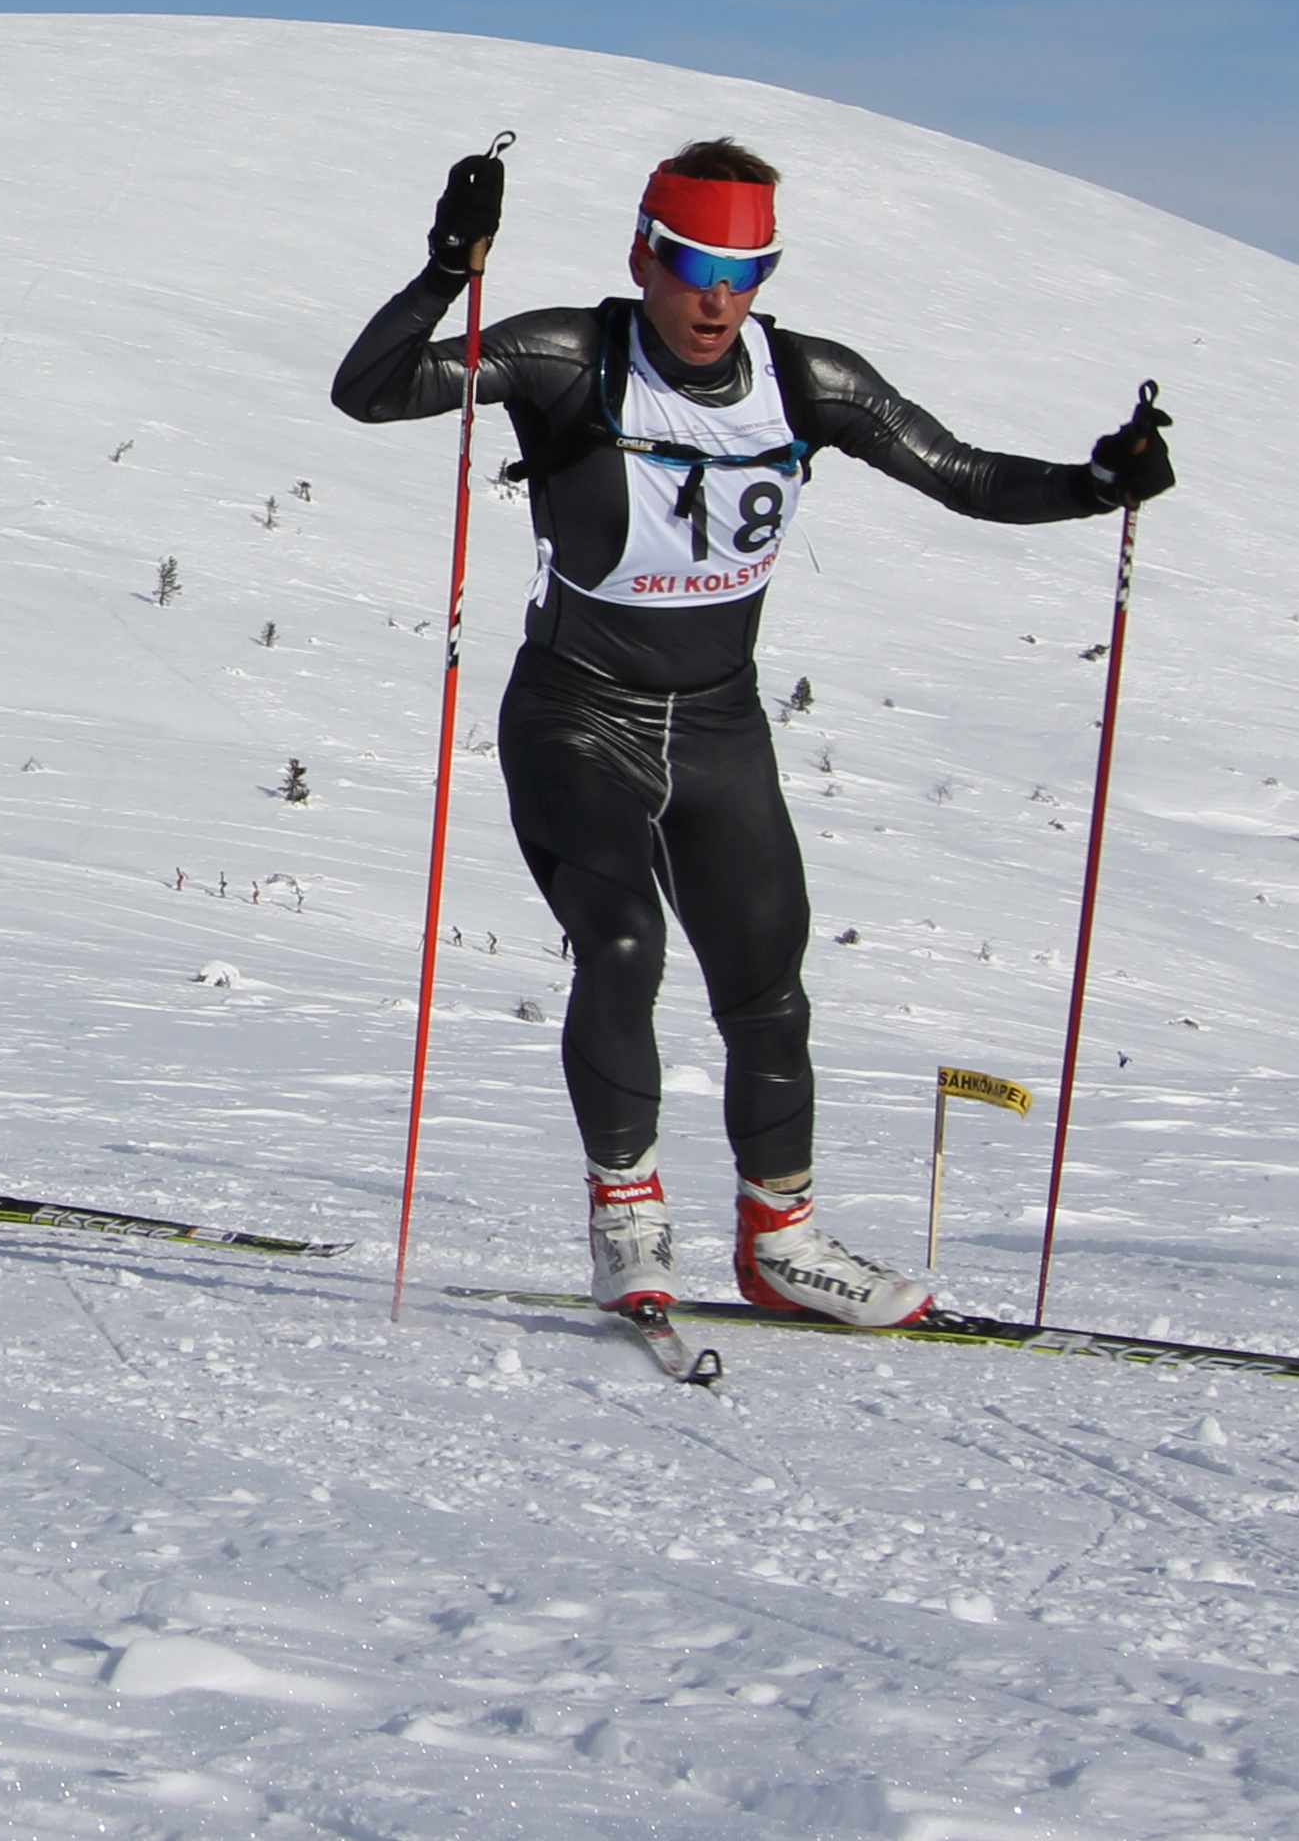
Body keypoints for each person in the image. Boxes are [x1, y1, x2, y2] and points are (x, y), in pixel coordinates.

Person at [329, 139, 1175, 1327]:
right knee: (623, 945)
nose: (717, 298)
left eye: (745, 271)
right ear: (644, 255)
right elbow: (371, 389)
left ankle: (783, 1241)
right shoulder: (569, 355)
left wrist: (1098, 482)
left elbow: (962, 473)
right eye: (693, 266)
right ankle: (628, 1217)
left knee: (768, 987)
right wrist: (444, 271)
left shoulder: (807, 379)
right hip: (578, 715)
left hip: (720, 725)